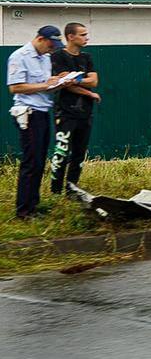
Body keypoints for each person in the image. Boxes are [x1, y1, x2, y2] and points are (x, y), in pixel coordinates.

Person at [6, 26, 69, 219]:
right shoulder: (20, 56)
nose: (52, 49)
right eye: (50, 45)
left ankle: (33, 204)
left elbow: (44, 84)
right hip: (29, 113)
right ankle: (23, 210)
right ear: (40, 39)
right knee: (31, 162)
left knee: (40, 161)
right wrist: (45, 85)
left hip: (42, 111)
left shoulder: (45, 58)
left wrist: (58, 81)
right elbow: (15, 87)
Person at [49, 23, 100, 195]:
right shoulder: (58, 56)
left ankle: (72, 188)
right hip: (65, 112)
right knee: (62, 151)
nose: (87, 37)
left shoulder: (86, 57)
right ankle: (55, 191)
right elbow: (64, 84)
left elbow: (94, 80)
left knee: (79, 152)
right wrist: (89, 92)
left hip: (85, 113)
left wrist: (76, 79)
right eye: (83, 34)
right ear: (71, 36)